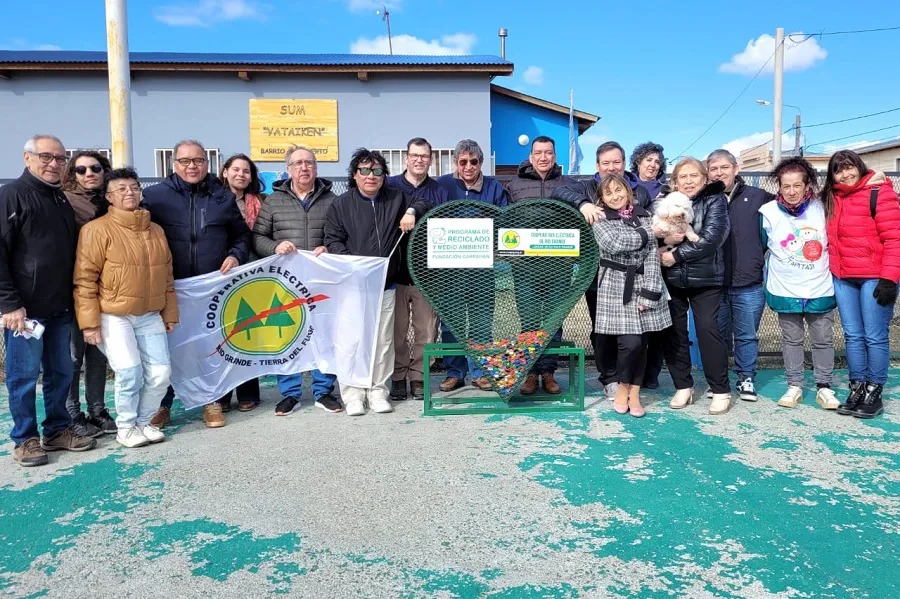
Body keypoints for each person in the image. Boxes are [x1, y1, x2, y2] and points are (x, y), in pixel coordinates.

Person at [0, 134, 97, 466]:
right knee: (23, 377)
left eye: (59, 158)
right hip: (25, 312)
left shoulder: (59, 199)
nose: (54, 164)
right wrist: (9, 303)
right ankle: (25, 438)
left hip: (60, 308)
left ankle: (56, 430)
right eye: (46, 157)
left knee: (61, 373)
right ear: (27, 158)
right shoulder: (11, 196)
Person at [143, 139, 251, 429]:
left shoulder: (222, 197)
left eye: (198, 160)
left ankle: (211, 400)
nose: (192, 166)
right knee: (165, 349)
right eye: (185, 161)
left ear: (207, 163)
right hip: (170, 288)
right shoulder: (154, 196)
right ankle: (161, 405)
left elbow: (242, 236)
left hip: (210, 288)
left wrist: (235, 255)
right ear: (174, 164)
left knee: (208, 345)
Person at [73, 167, 178, 447]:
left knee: (160, 374)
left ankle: (144, 422)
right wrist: (90, 324)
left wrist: (169, 313)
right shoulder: (95, 230)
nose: (129, 192)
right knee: (130, 372)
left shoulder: (156, 230)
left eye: (133, 187)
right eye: (121, 189)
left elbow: (167, 275)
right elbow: (85, 280)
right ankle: (126, 427)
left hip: (150, 314)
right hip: (113, 315)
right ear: (109, 196)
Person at [324, 148, 428, 416]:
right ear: (355, 175)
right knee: (353, 341)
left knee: (382, 342)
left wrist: (411, 211)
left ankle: (377, 391)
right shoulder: (340, 204)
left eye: (377, 171)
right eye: (365, 170)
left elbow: (423, 201)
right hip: (353, 287)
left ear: (384, 175)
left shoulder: (396, 198)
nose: (371, 176)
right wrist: (355, 266)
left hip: (386, 286)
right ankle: (353, 394)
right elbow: (332, 239)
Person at [553, 142, 654, 398]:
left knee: (634, 333)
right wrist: (582, 204)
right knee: (603, 330)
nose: (611, 167)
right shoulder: (586, 187)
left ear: (624, 164)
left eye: (616, 162)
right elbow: (558, 192)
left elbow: (650, 226)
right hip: (599, 274)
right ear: (597, 166)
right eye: (605, 163)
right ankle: (609, 377)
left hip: (635, 275)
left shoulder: (640, 191)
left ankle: (630, 379)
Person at [252, 145, 341, 416]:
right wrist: (275, 247)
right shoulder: (273, 201)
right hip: (285, 284)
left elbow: (341, 235)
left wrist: (329, 247)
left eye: (309, 163)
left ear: (316, 167)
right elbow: (257, 238)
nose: (304, 167)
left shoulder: (332, 200)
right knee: (287, 334)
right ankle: (290, 394)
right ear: (288, 169)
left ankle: (323, 391)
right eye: (298, 163)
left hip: (321, 282)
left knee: (324, 335)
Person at [823, 150, 900, 419]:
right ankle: (857, 386)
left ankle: (873, 391)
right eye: (838, 170)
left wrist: (889, 278)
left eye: (849, 167)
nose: (845, 174)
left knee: (874, 335)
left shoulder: (879, 193)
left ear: (860, 167)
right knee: (853, 335)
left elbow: (894, 238)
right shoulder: (832, 197)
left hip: (875, 276)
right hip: (844, 277)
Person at [591, 174, 671, 417]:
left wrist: (650, 292)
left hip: (644, 283)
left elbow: (652, 257)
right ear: (602, 198)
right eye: (608, 193)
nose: (615, 196)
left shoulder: (644, 216)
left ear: (628, 191)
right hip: (615, 286)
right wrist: (648, 233)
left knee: (642, 344)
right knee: (630, 343)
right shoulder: (600, 219)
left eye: (619, 190)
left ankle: (633, 392)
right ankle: (622, 386)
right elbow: (614, 243)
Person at [657, 157, 732, 414]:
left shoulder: (715, 200)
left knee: (708, 330)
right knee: (674, 333)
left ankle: (720, 389)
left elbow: (711, 239)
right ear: (675, 181)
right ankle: (683, 386)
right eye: (683, 177)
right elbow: (656, 234)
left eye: (694, 176)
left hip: (706, 278)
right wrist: (662, 245)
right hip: (672, 279)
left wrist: (676, 256)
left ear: (704, 178)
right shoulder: (665, 201)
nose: (688, 181)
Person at [760, 158, 837, 409]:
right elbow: (761, 247)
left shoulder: (823, 207)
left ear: (807, 185)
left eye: (797, 185)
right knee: (791, 340)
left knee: (823, 340)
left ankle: (824, 387)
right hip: (785, 288)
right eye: (786, 186)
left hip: (819, 287)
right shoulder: (768, 212)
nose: (792, 191)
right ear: (779, 187)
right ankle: (794, 385)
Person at [435, 139, 508, 391]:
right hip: (449, 269)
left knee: (481, 321)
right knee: (451, 323)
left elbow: (504, 219)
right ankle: (455, 373)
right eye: (463, 161)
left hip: (482, 268)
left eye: (474, 162)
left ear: (481, 163)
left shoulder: (494, 187)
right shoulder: (442, 185)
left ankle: (480, 372)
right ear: (456, 163)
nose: (468, 166)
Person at [506, 135, 573, 394]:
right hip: (525, 268)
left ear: (554, 156)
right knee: (530, 320)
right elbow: (506, 222)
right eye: (538, 153)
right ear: (530, 156)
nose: (543, 157)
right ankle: (531, 372)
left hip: (560, 267)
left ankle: (549, 372)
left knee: (554, 321)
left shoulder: (569, 185)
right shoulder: (515, 186)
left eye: (548, 152)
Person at [707, 149, 774, 402]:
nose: (719, 173)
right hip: (714, 282)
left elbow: (793, 204)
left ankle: (746, 377)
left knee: (746, 335)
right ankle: (719, 381)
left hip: (749, 282)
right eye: (714, 169)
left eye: (724, 167)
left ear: (736, 169)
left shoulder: (758, 197)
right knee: (717, 335)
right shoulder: (704, 199)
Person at [385, 137, 446, 400]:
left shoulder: (439, 190)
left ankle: (419, 377)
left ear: (430, 160)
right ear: (406, 158)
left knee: (426, 331)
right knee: (396, 331)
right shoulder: (389, 186)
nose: (419, 160)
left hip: (426, 275)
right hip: (395, 273)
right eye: (414, 155)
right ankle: (398, 376)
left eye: (424, 156)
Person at [61, 150, 114, 438]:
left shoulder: (112, 200)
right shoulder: (63, 201)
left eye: (95, 168)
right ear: (73, 174)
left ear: (104, 170)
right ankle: (72, 413)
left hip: (107, 290)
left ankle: (97, 410)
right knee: (73, 355)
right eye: (81, 170)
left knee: (98, 354)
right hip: (74, 289)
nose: (89, 173)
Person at [218, 153, 265, 413]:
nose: (241, 175)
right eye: (235, 169)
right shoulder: (212, 199)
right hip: (221, 273)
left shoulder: (260, 202)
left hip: (252, 274)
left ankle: (248, 392)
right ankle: (222, 393)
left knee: (248, 332)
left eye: (246, 171)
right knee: (222, 335)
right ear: (225, 171)